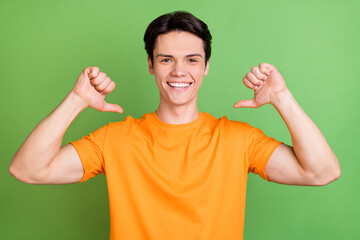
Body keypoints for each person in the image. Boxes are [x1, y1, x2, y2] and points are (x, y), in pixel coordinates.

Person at [9, 10, 341, 240]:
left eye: (192, 60)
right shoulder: (115, 139)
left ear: (206, 66)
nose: (179, 71)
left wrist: (282, 98)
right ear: (151, 66)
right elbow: (28, 170)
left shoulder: (238, 140)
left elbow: (322, 172)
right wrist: (76, 101)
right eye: (166, 59)